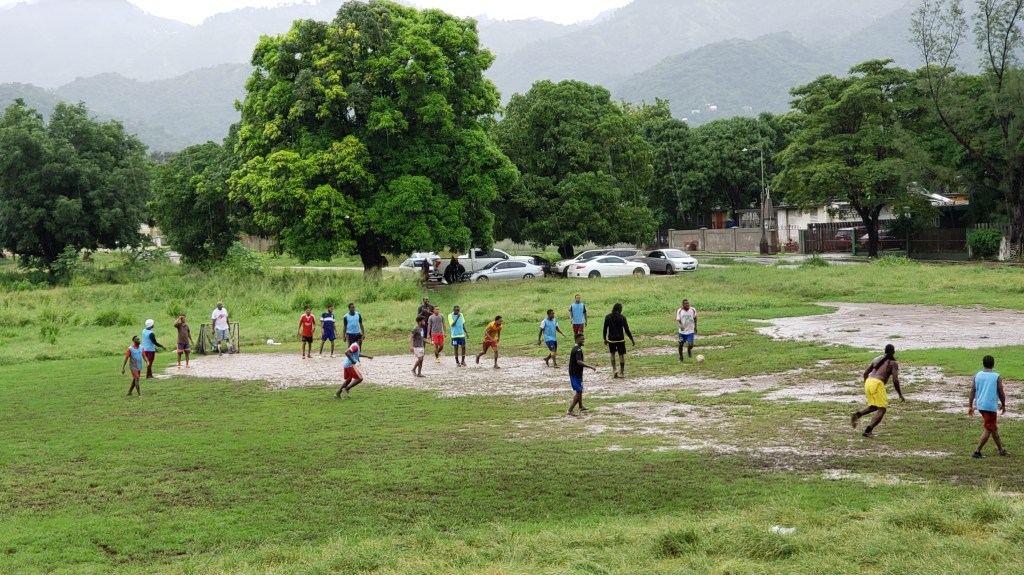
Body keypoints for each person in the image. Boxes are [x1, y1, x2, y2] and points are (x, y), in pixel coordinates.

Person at [851, 344, 905, 438]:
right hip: (877, 383)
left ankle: (857, 415)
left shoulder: (877, 359)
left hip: (869, 382)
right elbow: (895, 380)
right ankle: (868, 431)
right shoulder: (893, 363)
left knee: (874, 406)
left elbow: (865, 373)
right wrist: (900, 394)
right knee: (882, 409)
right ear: (893, 352)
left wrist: (867, 386)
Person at [969, 355, 1008, 458]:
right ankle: (977, 451)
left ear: (983, 364)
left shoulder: (977, 375)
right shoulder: (997, 376)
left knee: (993, 427)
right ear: (993, 364)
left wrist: (970, 406)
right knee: (988, 428)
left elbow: (972, 391)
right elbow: (1001, 392)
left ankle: (1001, 450)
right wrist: (1003, 404)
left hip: (980, 405)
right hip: (990, 406)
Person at [567, 333, 597, 416]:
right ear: (577, 339)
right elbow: (579, 362)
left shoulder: (575, 348)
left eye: (583, 339)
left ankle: (580, 406)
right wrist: (591, 367)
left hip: (576, 373)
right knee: (579, 391)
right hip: (575, 374)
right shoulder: (578, 350)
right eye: (581, 339)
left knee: (579, 390)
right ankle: (570, 410)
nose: (583, 341)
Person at [602, 303, 635, 378]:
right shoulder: (622, 318)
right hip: (620, 339)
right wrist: (631, 339)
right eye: (621, 309)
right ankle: (622, 372)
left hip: (611, 339)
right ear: (619, 309)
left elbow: (605, 329)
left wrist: (605, 338)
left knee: (612, 354)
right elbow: (627, 329)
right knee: (621, 355)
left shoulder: (608, 317)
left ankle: (614, 370)